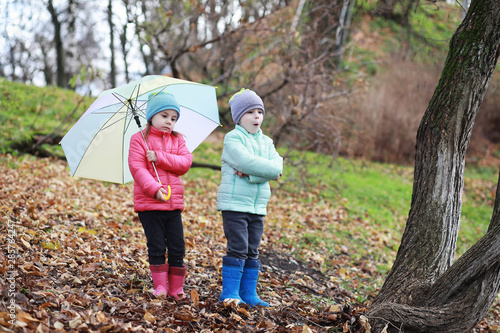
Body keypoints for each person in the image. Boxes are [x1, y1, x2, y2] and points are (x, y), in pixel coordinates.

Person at [217, 88, 283, 307]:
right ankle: (230, 293)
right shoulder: (232, 139)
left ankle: (248, 293)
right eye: (250, 112)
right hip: (235, 205)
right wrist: (262, 171)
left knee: (252, 249)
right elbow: (245, 162)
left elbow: (276, 167)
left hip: (257, 207)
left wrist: (253, 176)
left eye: (259, 112)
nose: (257, 117)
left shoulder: (267, 142)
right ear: (238, 117)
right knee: (238, 247)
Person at [128, 92, 193, 299]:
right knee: (156, 245)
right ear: (152, 116)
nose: (169, 122)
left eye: (173, 118)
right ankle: (160, 287)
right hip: (150, 204)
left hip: (173, 204)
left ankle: (176, 288)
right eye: (164, 116)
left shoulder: (178, 140)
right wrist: (154, 189)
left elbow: (184, 163)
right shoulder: (139, 140)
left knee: (177, 246)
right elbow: (137, 168)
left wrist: (159, 157)